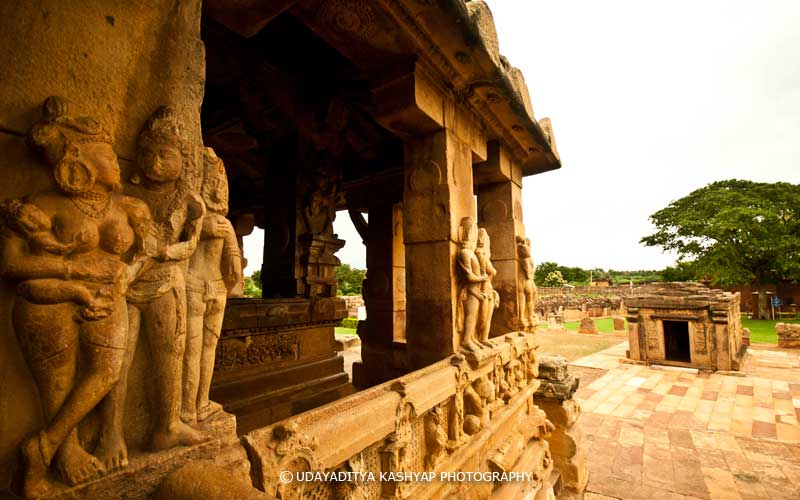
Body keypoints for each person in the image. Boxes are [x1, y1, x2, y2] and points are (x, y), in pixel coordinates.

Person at [0, 96, 152, 497]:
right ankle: (58, 456)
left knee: (106, 372)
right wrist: (75, 273)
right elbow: (11, 265)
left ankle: (41, 446)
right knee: (57, 383)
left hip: (107, 299)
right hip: (48, 300)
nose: (115, 158)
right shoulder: (40, 205)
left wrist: (123, 278)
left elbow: (143, 257)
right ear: (76, 158)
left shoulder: (127, 208)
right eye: (105, 151)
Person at [181, 148, 242, 425]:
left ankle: (189, 407)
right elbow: (234, 268)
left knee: (192, 350)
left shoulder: (193, 217)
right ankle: (198, 404)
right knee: (204, 350)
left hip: (195, 285)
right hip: (215, 288)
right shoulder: (221, 224)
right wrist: (227, 287)